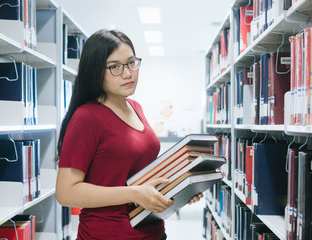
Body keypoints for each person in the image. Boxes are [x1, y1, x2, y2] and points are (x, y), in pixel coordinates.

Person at [55, 29, 203, 240]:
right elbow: (66, 192)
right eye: (115, 67)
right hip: (107, 235)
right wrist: (134, 193)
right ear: (95, 71)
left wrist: (179, 190)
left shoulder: (136, 107)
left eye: (132, 63)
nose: (128, 73)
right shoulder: (86, 117)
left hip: (153, 232)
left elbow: (138, 175)